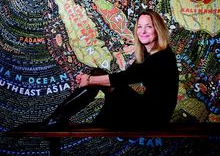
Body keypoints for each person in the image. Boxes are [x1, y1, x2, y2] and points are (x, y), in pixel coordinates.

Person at [11, 9, 179, 131]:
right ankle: (55, 119)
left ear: (157, 29)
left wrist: (90, 80)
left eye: (148, 26)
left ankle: (54, 120)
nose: (142, 31)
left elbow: (126, 77)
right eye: (139, 27)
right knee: (98, 73)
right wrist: (93, 80)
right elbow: (126, 76)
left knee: (98, 75)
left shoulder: (161, 57)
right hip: (150, 112)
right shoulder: (150, 54)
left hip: (153, 118)